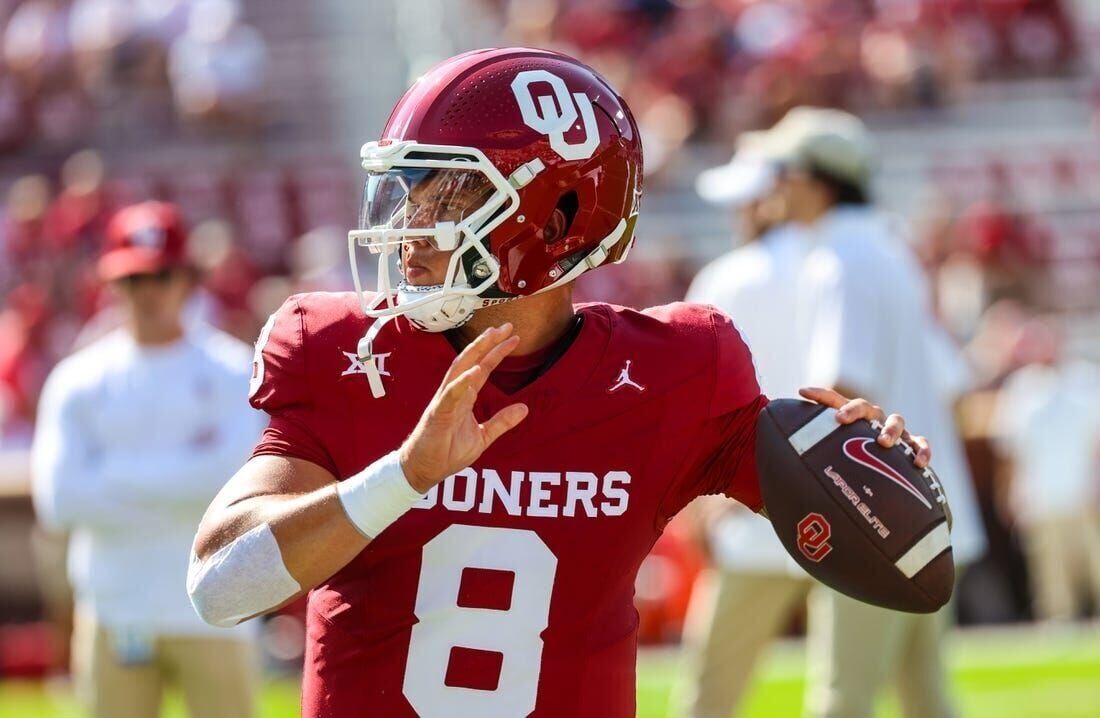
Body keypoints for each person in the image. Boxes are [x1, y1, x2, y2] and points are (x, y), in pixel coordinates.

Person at [186, 48, 931, 718]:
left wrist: (868, 462)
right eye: (408, 191)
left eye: (444, 195)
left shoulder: (675, 373)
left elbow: (862, 529)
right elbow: (218, 586)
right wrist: (403, 477)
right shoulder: (348, 350)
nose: (410, 225)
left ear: (555, 217)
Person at [753, 107, 985, 718]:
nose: (772, 183)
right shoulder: (891, 252)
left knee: (842, 696)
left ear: (818, 181)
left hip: (872, 509)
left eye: (783, 169)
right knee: (925, 693)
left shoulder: (839, 261)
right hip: (924, 505)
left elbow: (838, 393)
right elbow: (952, 379)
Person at [31, 201, 264, 718]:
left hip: (217, 609)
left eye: (162, 276)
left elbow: (236, 486)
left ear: (187, 279)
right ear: (112, 284)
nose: (149, 293)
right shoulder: (80, 380)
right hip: (116, 609)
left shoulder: (232, 371)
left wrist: (111, 477)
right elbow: (60, 501)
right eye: (134, 280)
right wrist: (185, 479)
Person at [675, 144, 813, 718]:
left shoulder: (725, 280)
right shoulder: (833, 264)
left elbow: (690, 401)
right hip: (843, 502)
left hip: (750, 510)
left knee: (709, 693)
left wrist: (699, 505)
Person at [992, 316, 1100, 622]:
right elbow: (1009, 452)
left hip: (1086, 499)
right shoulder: (1020, 390)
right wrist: (1008, 495)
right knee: (1053, 590)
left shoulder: (1086, 380)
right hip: (1040, 503)